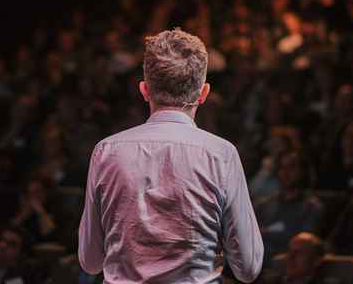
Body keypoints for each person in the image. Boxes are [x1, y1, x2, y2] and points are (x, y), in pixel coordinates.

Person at [79, 28, 263, 283]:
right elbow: (249, 267)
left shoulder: (106, 152)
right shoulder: (221, 155)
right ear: (204, 93)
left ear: (144, 90)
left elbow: (90, 261)